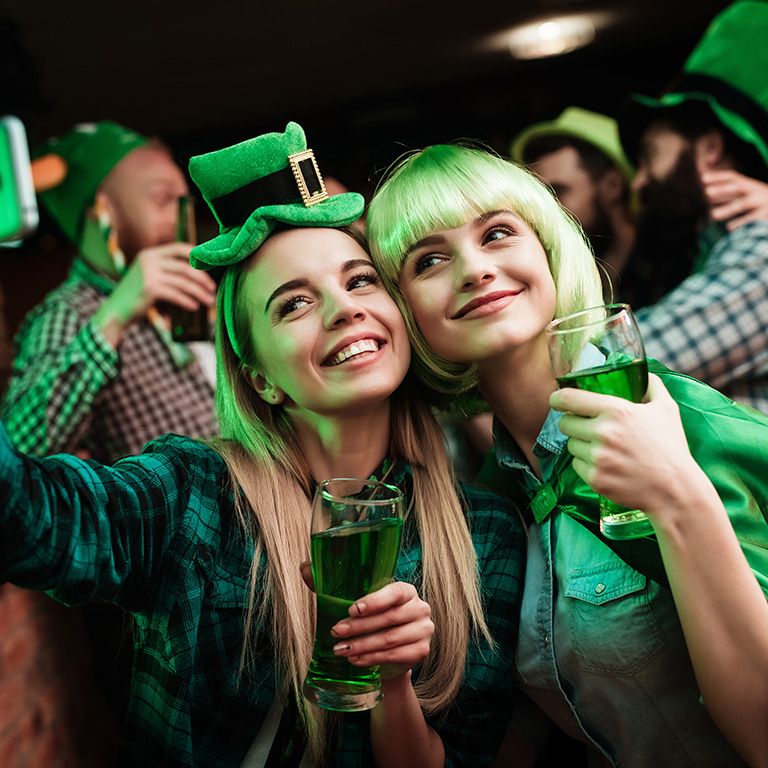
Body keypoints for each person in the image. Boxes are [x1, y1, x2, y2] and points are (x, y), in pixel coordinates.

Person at [0, 123, 524, 767]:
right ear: (260, 380)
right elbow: (35, 516)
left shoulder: (486, 535)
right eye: (294, 304)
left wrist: (393, 684)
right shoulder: (192, 494)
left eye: (360, 281)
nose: (343, 309)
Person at [366, 141, 768, 768]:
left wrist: (678, 495)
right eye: (429, 260)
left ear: (549, 249)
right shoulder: (493, 501)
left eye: (497, 233)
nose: (473, 269)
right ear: (406, 312)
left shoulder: (673, 419)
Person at [0, 121, 218, 462]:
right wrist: (113, 318)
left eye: (183, 202)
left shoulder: (187, 293)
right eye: (163, 200)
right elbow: (16, 457)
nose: (180, 219)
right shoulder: (72, 312)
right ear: (102, 213)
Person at [618, 0, 768, 414]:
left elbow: (622, 367)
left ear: (710, 150)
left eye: (650, 155)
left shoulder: (761, 252)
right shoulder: (709, 252)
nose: (638, 182)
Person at [512, 107, 636, 302]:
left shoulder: (668, 264)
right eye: (540, 195)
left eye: (557, 191)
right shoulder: (564, 286)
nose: (542, 209)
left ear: (613, 185)